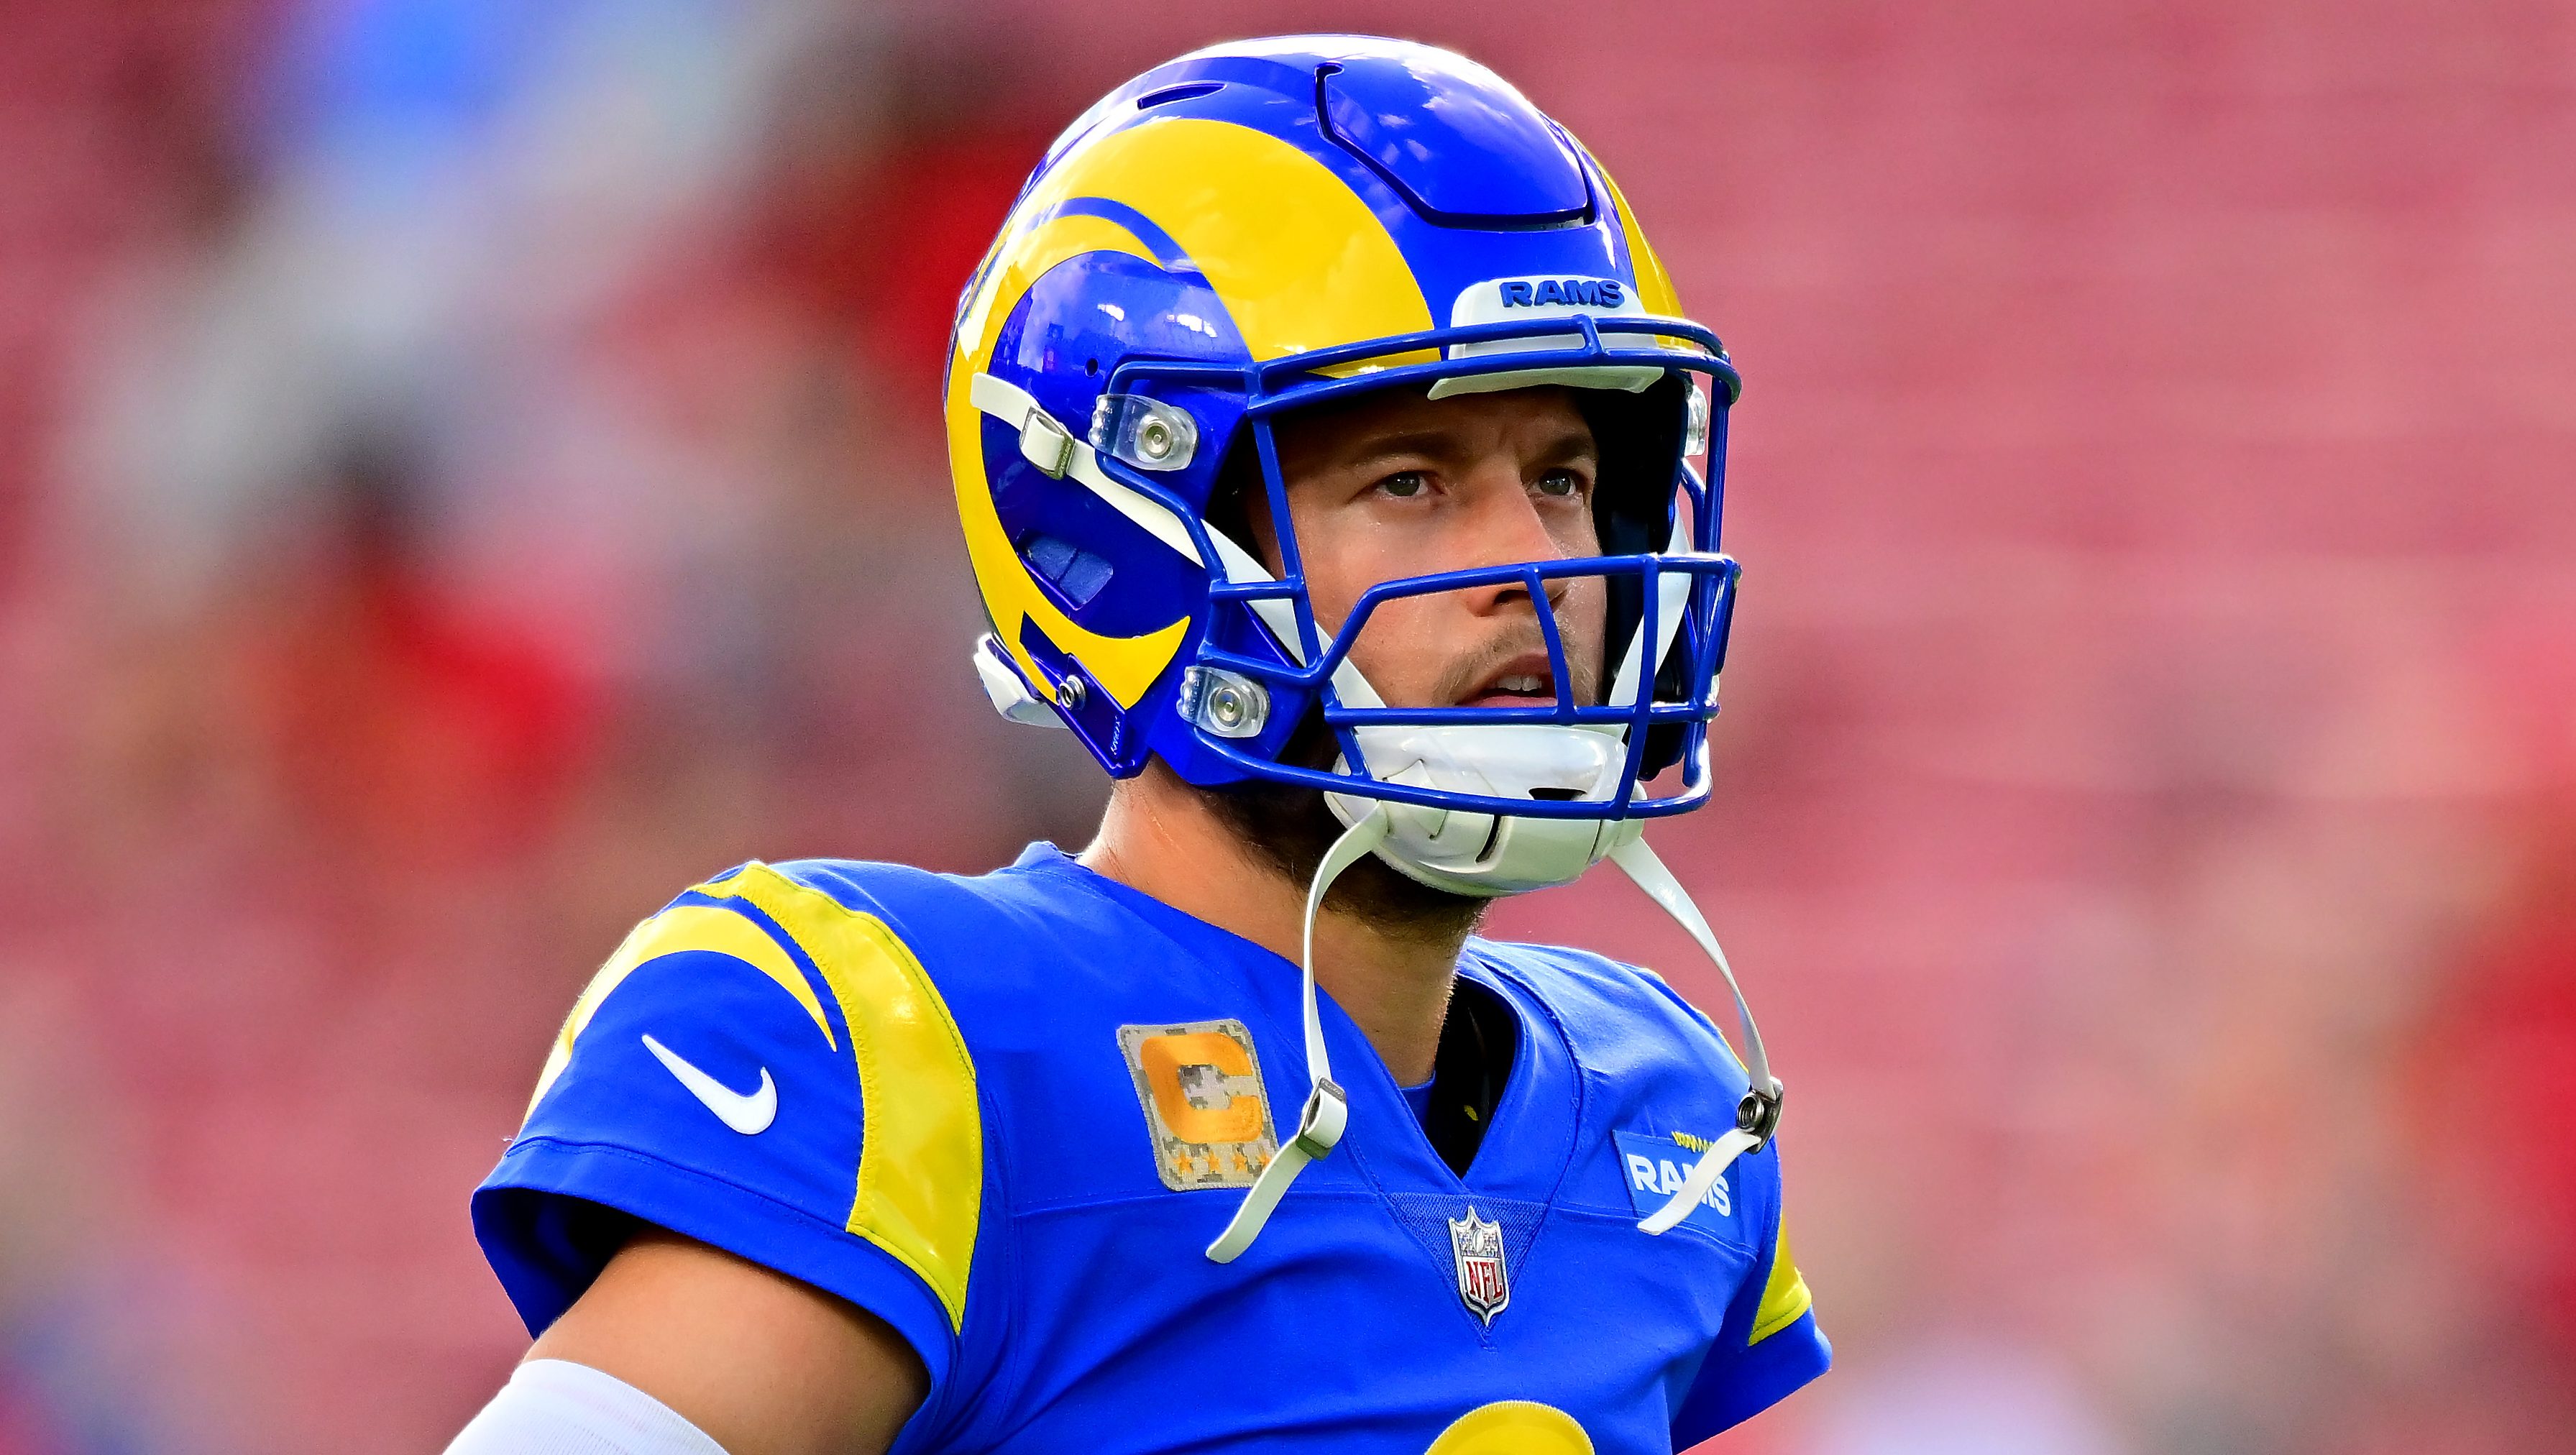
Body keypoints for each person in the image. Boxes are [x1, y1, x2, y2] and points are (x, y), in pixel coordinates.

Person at [448, 35, 1828, 1455]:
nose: (1531, 566)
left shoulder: (1660, 1107)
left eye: (1562, 478)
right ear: (1135, 545)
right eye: (1411, 482)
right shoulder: (925, 1047)